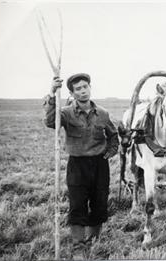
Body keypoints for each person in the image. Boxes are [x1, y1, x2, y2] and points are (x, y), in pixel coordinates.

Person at [43, 73, 119, 259]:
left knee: (100, 203)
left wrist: (110, 152)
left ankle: (93, 239)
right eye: (78, 89)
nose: (83, 91)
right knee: (77, 205)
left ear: (90, 88)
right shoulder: (67, 113)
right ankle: (78, 247)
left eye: (85, 87)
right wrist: (52, 94)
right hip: (77, 165)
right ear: (72, 92)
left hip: (100, 165)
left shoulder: (102, 113)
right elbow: (51, 122)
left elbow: (113, 135)